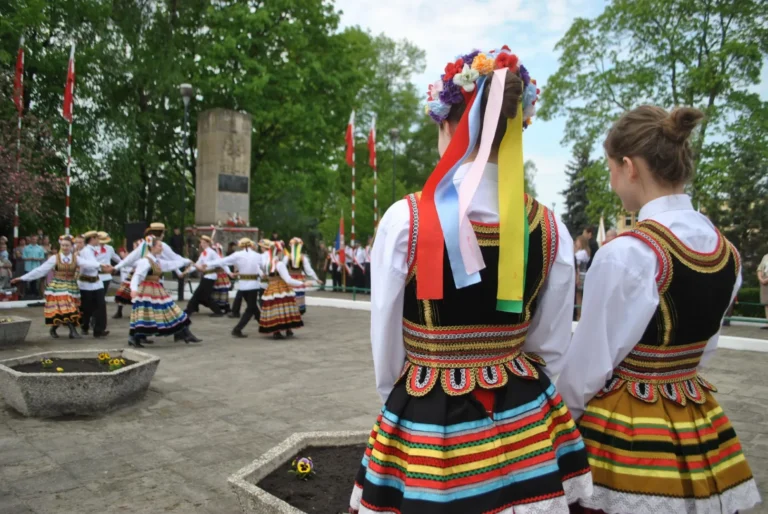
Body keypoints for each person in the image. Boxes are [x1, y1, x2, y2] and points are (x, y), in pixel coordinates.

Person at [350, 47, 592, 514]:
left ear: (448, 125)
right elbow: (551, 344)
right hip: (523, 408)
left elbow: (385, 340)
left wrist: (401, 398)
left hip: (429, 408)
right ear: (516, 128)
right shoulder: (548, 226)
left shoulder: (406, 220)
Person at [558, 106, 760, 514]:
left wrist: (561, 428)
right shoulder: (727, 253)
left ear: (629, 166)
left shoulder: (627, 254)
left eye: (611, 168)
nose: (612, 181)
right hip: (695, 412)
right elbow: (705, 348)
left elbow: (589, 367)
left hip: (627, 430)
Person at [11, 235, 99, 339]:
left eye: (67, 245)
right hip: (58, 286)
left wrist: (103, 266)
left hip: (71, 286)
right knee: (66, 306)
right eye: (63, 245)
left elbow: (89, 264)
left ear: (71, 246)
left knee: (64, 309)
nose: (65, 247)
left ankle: (53, 328)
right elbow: (40, 270)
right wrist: (22, 278)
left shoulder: (76, 258)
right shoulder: (55, 258)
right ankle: (72, 331)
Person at [129, 235, 200, 347]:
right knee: (147, 314)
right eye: (159, 246)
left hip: (156, 289)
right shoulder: (145, 261)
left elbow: (170, 264)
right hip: (147, 290)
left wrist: (186, 261)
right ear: (152, 247)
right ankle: (134, 338)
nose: (161, 248)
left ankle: (185, 333)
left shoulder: (157, 261)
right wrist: (133, 289)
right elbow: (136, 276)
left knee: (167, 310)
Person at [201, 238, 264, 338]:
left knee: (253, 307)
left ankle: (263, 324)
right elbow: (261, 268)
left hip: (243, 285)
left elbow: (222, 261)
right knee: (251, 308)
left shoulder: (237, 255)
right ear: (251, 245)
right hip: (253, 285)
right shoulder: (258, 256)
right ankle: (237, 329)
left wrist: (208, 263)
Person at [259, 240, 304, 339]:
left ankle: (277, 331)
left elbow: (264, 275)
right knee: (286, 308)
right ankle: (288, 329)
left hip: (271, 288)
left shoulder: (266, 264)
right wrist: (302, 283)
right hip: (282, 288)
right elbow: (288, 279)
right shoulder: (279, 264)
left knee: (274, 309)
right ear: (278, 252)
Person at [77, 231, 113, 338]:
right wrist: (102, 266)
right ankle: (85, 326)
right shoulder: (87, 251)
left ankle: (98, 329)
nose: (99, 240)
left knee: (100, 306)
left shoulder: (93, 250)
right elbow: (90, 265)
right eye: (97, 238)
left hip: (96, 282)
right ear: (92, 239)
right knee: (87, 306)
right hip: (86, 283)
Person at [182, 235, 224, 317]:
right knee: (203, 295)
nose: (202, 244)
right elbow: (197, 264)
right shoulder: (203, 253)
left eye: (204, 243)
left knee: (200, 294)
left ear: (208, 243)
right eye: (201, 243)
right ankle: (193, 308)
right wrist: (187, 271)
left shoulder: (212, 252)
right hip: (206, 276)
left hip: (211, 276)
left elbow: (220, 261)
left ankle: (190, 309)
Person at [283, 237, 321, 314]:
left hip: (290, 279)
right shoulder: (303, 257)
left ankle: (292, 311)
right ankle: (298, 311)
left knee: (291, 295)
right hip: (298, 278)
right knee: (299, 295)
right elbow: (309, 270)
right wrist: (316, 278)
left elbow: (282, 268)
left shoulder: (287, 257)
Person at [114, 240, 142, 319]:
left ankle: (135, 312)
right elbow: (126, 259)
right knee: (122, 292)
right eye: (134, 245)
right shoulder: (134, 254)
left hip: (138, 276)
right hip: (131, 275)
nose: (134, 247)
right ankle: (119, 311)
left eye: (135, 245)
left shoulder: (142, 254)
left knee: (136, 294)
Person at [211, 243, 233, 313]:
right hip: (216, 275)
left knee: (223, 291)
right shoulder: (213, 257)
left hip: (221, 276)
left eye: (217, 250)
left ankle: (225, 306)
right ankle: (219, 306)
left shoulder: (220, 258)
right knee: (217, 292)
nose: (216, 251)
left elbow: (224, 265)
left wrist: (229, 273)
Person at [21, 235, 46, 299]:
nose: (34, 240)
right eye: (33, 239)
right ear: (31, 240)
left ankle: (34, 294)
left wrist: (36, 259)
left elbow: (42, 257)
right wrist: (30, 258)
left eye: (35, 239)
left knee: (35, 281)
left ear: (37, 240)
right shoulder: (26, 248)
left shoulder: (40, 248)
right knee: (26, 280)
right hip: (28, 266)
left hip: (36, 266)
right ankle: (26, 294)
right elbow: (23, 257)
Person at [574, 235, 591, 321]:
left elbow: (575, 260)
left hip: (580, 275)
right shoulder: (586, 252)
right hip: (583, 274)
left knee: (579, 296)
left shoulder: (581, 253)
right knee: (580, 295)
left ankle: (579, 315)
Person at [759, 251, 768, 329]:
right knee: (766, 303)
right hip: (764, 283)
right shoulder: (765, 257)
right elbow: (759, 269)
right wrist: (760, 279)